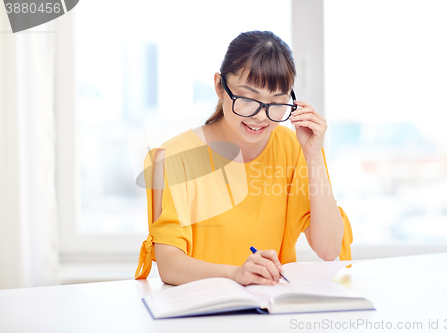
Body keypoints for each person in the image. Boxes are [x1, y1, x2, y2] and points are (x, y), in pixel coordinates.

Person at [135, 30, 353, 286]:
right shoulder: (177, 157)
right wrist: (236, 275)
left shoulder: (295, 149)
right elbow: (170, 265)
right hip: (202, 311)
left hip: (269, 311)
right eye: (248, 99)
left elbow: (329, 250)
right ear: (219, 86)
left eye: (276, 102)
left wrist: (314, 156)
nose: (261, 116)